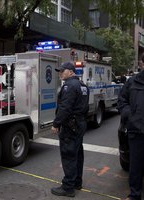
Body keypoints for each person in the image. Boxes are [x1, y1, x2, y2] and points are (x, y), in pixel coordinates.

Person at [51, 62, 89, 197]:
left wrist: (56, 124)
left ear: (71, 72)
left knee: (68, 155)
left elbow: (65, 108)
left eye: (62, 71)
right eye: (59, 71)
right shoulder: (83, 86)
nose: (60, 73)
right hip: (80, 123)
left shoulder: (69, 86)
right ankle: (77, 182)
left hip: (70, 126)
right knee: (77, 153)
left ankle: (68, 187)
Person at [118, 53, 144, 200]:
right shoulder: (132, 82)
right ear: (142, 64)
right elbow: (122, 100)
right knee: (135, 166)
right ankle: (135, 195)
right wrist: (130, 116)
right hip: (136, 132)